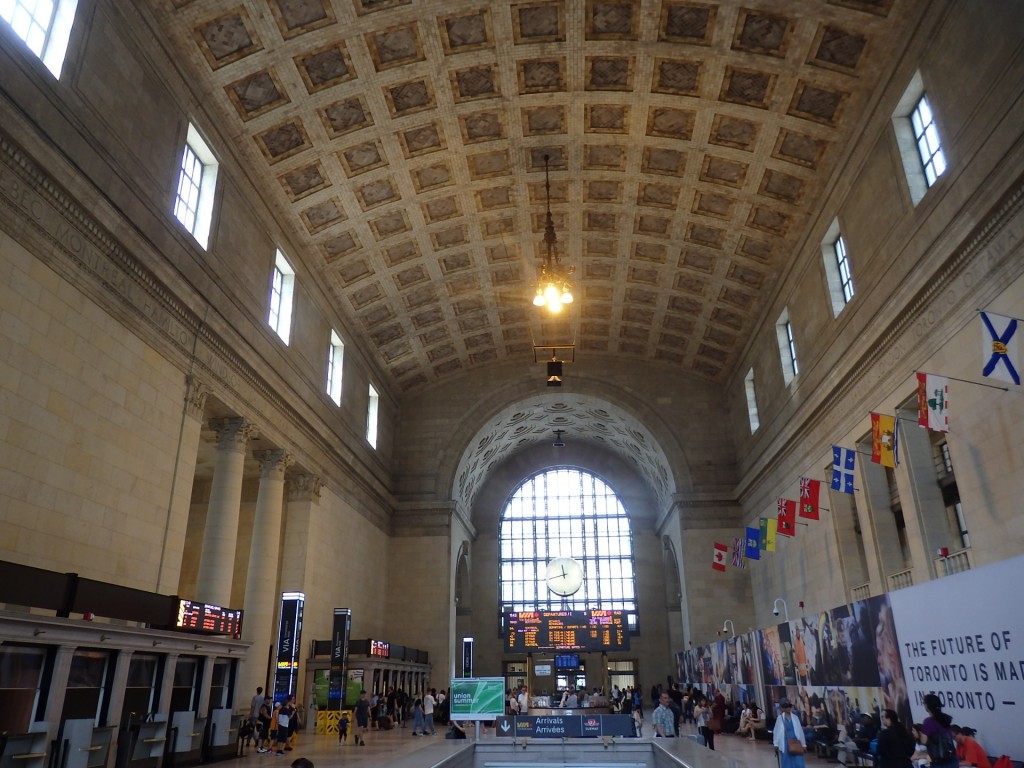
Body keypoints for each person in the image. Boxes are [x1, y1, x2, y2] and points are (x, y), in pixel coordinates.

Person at [921, 693, 957, 768]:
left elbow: (924, 741)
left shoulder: (928, 722)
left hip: (939, 761)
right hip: (951, 759)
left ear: (927, 706)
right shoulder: (945, 719)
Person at [773, 699, 807, 768]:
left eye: (789, 706)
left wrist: (803, 744)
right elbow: (776, 732)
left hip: (796, 742)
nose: (788, 708)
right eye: (786, 707)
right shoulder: (780, 719)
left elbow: (800, 731)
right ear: (782, 708)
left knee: (799, 762)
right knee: (787, 762)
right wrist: (776, 744)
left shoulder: (795, 717)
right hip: (785, 743)